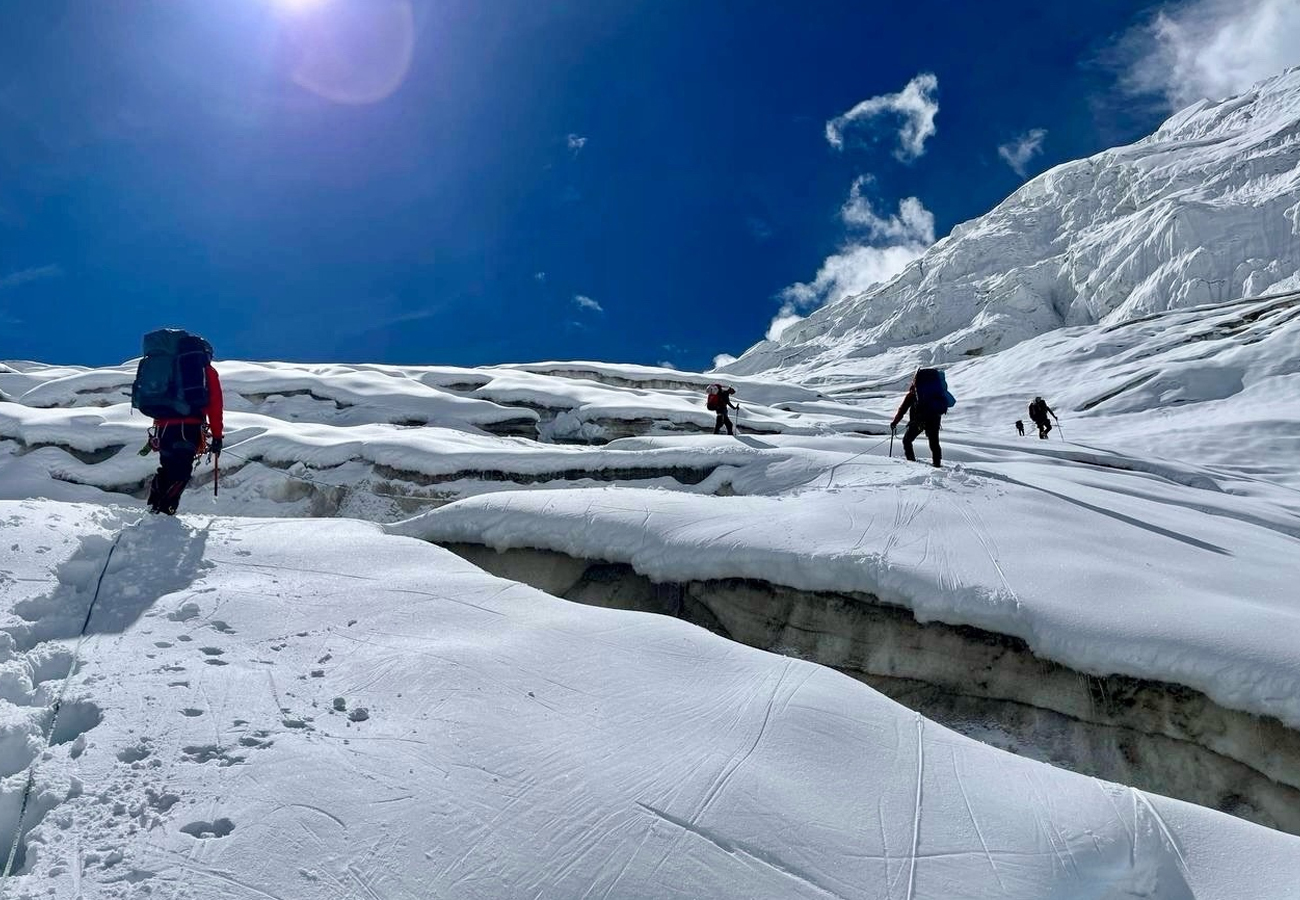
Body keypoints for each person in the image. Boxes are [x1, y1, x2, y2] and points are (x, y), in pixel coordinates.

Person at [134, 330, 224, 515]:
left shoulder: (169, 367)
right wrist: (216, 436)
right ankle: (165, 510)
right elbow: (215, 405)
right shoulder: (205, 371)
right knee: (181, 470)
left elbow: (164, 399)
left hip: (164, 427)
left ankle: (154, 507)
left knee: (168, 467)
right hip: (188, 426)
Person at [890, 368, 953, 468]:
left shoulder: (913, 393)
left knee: (907, 440)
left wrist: (895, 422)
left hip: (918, 421)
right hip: (934, 420)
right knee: (934, 443)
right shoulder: (935, 393)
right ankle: (937, 464)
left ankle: (911, 462)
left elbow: (903, 409)